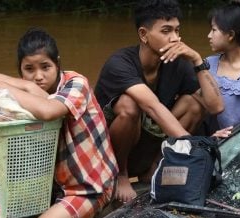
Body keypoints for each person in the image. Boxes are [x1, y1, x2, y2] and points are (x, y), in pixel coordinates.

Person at [0, 28, 118, 218]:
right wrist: (22, 86)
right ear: (20, 70)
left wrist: (22, 87)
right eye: (29, 69)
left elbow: (48, 110)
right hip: (56, 186)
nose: (38, 76)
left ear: (57, 63)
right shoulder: (27, 92)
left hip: (90, 187)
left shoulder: (76, 84)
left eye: (45, 67)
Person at [94, 0, 224, 203]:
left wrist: (197, 60)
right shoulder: (119, 63)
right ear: (144, 35)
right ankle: (120, 176)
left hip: (148, 150)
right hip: (110, 155)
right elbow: (151, 106)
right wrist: (192, 145)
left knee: (193, 104)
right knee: (129, 105)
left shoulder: (177, 62)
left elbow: (216, 106)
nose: (175, 38)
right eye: (166, 31)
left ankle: (156, 168)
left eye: (177, 30)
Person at [202, 0, 240, 136]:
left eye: (214, 30)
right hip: (206, 141)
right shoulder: (208, 64)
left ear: (231, 35)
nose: (209, 36)